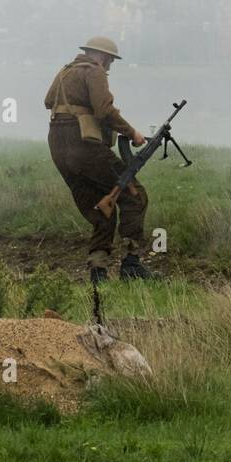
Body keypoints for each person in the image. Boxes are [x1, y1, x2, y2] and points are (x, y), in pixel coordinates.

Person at [44, 35, 155, 283]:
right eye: (110, 62)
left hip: (59, 149)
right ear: (103, 58)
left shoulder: (64, 72)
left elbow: (48, 102)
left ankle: (98, 272)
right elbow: (104, 110)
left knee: (100, 208)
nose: (109, 67)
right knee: (135, 195)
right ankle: (131, 264)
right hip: (85, 148)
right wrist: (132, 133)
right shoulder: (93, 72)